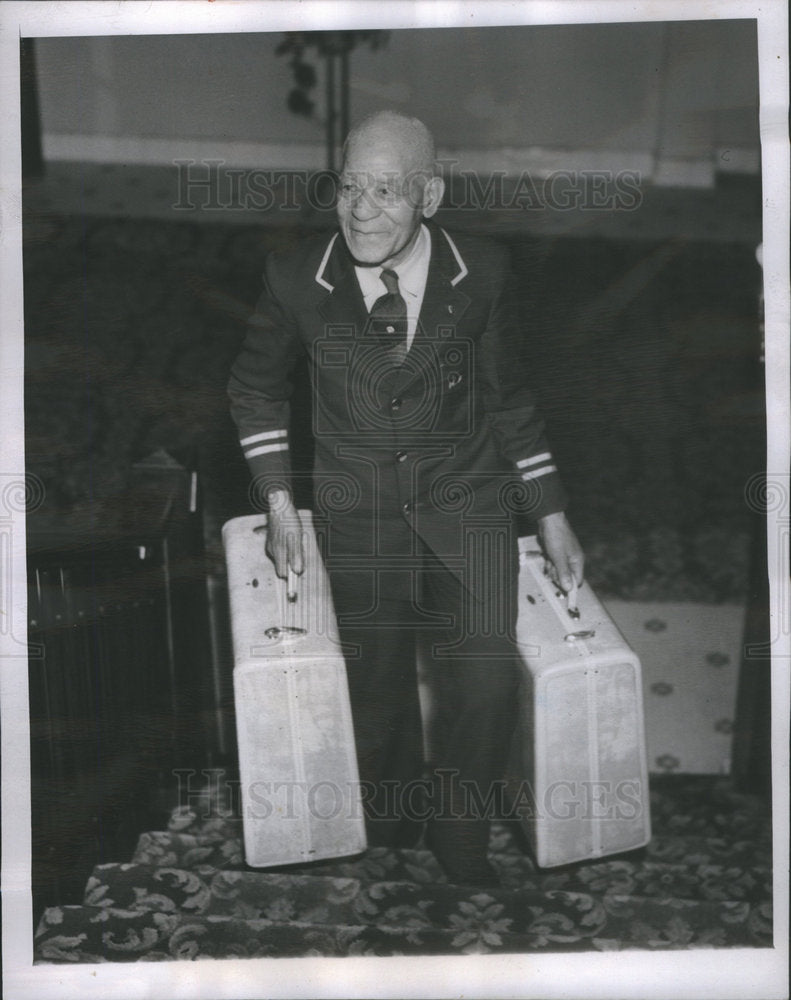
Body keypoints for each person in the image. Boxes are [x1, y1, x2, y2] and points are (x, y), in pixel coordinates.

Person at [228, 110, 584, 886]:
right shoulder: (296, 278)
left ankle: (460, 842)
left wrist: (550, 510)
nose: (361, 210)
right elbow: (254, 393)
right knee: (376, 687)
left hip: (470, 500)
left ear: (429, 193)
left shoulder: (481, 270)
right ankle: (386, 821)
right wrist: (281, 502)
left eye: (386, 191)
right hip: (359, 517)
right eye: (350, 186)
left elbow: (509, 397)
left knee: (485, 682)